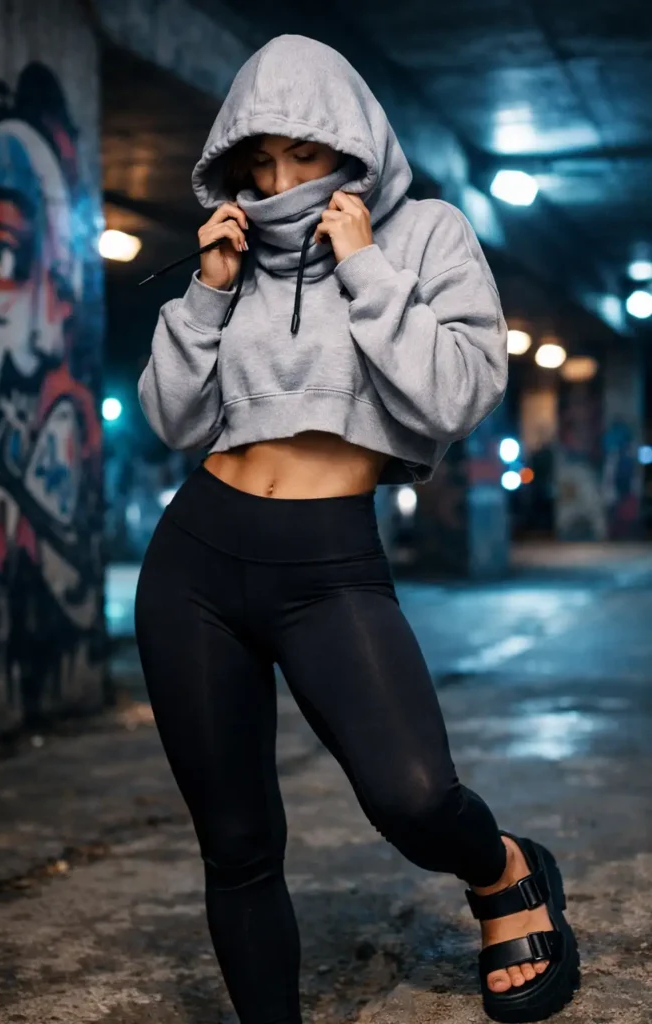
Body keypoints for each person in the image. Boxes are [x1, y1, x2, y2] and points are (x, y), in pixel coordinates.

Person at [135, 34, 580, 1024]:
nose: (280, 184)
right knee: (239, 843)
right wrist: (205, 293)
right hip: (194, 557)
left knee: (415, 795)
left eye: (305, 157)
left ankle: (503, 866)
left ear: (351, 143)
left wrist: (367, 267)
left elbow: (454, 395)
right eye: (259, 165)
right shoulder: (233, 249)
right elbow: (170, 419)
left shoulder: (424, 233)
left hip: (328, 564)